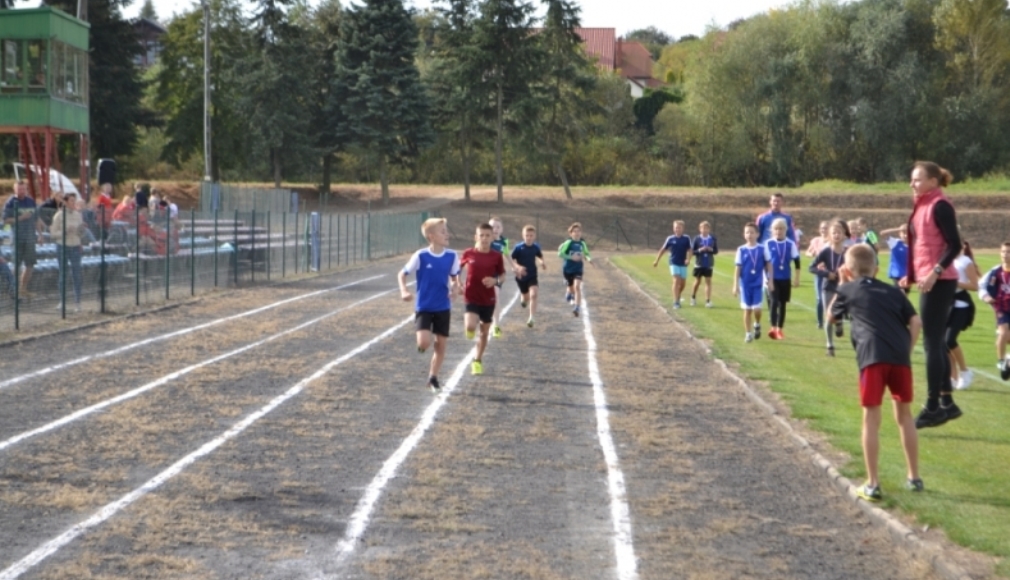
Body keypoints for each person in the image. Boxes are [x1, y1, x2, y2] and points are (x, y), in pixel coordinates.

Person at [830, 243, 923, 502]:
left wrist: (841, 283)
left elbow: (831, 318)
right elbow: (916, 321)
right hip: (899, 358)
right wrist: (907, 348)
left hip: (872, 357)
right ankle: (914, 478)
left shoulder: (847, 288)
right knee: (905, 417)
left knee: (871, 419)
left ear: (848, 270)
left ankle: (872, 484)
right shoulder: (894, 292)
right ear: (877, 268)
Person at [902, 161, 962, 429]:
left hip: (940, 281)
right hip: (929, 278)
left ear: (933, 182)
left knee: (932, 343)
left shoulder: (939, 205)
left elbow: (955, 245)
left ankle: (932, 406)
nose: (911, 184)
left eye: (916, 179)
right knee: (935, 342)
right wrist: (912, 275)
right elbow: (920, 245)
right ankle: (947, 403)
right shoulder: (923, 204)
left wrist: (935, 272)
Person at [399, 217, 461, 393]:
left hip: (443, 307)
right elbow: (402, 274)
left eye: (446, 231)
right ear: (431, 236)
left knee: (441, 345)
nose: (447, 234)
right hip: (424, 306)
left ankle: (433, 377)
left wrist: (455, 288)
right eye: (443, 232)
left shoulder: (451, 256)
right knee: (425, 343)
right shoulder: (421, 256)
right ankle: (422, 346)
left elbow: (455, 277)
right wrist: (404, 290)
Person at [460, 223, 506, 376]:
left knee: (484, 333)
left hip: (488, 299)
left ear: (493, 237)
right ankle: (470, 328)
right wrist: (457, 283)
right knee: (471, 327)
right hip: (471, 297)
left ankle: (477, 361)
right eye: (482, 235)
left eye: (488, 235)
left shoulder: (496, 256)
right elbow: (456, 270)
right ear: (476, 237)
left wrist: (495, 281)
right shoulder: (468, 253)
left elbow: (503, 275)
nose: (485, 239)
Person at [809, 220, 849, 356]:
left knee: (839, 313)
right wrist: (826, 274)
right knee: (829, 316)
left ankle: (839, 323)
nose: (837, 235)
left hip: (843, 288)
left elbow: (854, 269)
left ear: (844, 235)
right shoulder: (825, 251)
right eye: (834, 233)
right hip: (828, 287)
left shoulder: (848, 252)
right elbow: (811, 267)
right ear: (830, 236)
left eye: (839, 232)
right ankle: (830, 346)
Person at [2, 182, 44, 298]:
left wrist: (40, 235)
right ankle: (12, 289)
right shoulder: (10, 202)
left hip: (30, 237)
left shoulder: (30, 201)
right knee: (16, 264)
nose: (22, 191)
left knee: (30, 264)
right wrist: (21, 217)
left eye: (23, 189)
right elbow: (5, 220)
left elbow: (36, 219)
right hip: (17, 238)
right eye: (19, 189)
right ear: (15, 189)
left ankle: (23, 288)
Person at [733, 222, 773, 343]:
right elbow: (738, 268)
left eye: (752, 232)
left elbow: (769, 265)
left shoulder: (762, 248)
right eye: (747, 232)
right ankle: (748, 333)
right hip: (745, 284)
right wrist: (735, 285)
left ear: (757, 234)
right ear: (744, 235)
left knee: (757, 309)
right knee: (747, 310)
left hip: (758, 284)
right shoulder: (741, 250)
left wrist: (770, 280)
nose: (749, 235)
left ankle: (757, 323)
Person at [947, 241, 978, 390]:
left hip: (961, 304)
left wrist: (957, 283)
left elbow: (974, 285)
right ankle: (952, 376)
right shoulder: (946, 258)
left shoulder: (965, 261)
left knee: (950, 339)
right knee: (943, 343)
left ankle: (965, 372)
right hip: (946, 304)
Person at [978, 242, 1010, 381]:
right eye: (1003, 252)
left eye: (1008, 252)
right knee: (1003, 333)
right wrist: (986, 297)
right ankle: (1001, 361)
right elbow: (981, 286)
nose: (1005, 255)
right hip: (1002, 307)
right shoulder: (995, 271)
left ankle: (1008, 360)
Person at [765, 218, 801, 340]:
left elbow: (797, 262)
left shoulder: (790, 244)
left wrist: (796, 278)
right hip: (772, 278)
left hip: (785, 278)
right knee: (774, 302)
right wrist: (765, 278)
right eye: (776, 229)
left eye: (781, 228)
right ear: (772, 230)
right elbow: (764, 262)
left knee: (783, 304)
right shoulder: (768, 244)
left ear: (786, 230)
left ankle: (780, 329)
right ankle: (773, 328)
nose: (778, 231)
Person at [50, 192, 85, 312]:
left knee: (77, 275)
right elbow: (53, 234)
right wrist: (64, 232)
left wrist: (81, 230)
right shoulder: (58, 215)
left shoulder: (78, 215)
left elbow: (81, 233)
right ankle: (62, 301)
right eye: (71, 201)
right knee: (63, 274)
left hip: (75, 246)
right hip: (62, 247)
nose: (73, 203)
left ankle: (78, 303)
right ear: (65, 202)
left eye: (74, 201)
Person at [510, 224, 546, 328]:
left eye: (531, 235)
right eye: (527, 235)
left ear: (534, 236)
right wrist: (518, 267)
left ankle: (531, 318)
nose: (529, 237)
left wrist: (542, 262)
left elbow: (540, 255)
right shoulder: (518, 247)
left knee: (534, 294)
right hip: (521, 276)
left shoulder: (536, 247)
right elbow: (511, 259)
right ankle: (523, 298)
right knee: (525, 297)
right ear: (523, 235)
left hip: (532, 275)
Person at [652, 220, 692, 309]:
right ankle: (676, 302)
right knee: (676, 280)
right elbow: (663, 249)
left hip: (683, 263)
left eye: (679, 227)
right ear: (673, 229)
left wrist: (688, 259)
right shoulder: (670, 238)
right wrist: (656, 260)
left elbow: (690, 250)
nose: (677, 229)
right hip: (673, 262)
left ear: (683, 229)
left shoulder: (686, 238)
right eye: (676, 227)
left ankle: (678, 295)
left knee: (683, 283)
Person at [488, 217, 516, 339]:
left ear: (502, 229)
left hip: (497, 274)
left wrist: (514, 266)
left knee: (496, 296)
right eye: (492, 227)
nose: (495, 229)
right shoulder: (485, 240)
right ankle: (485, 320)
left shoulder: (504, 242)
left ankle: (496, 326)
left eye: (498, 227)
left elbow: (507, 254)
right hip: (483, 273)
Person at [558, 222, 592, 318]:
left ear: (581, 233)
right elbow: (560, 254)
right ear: (571, 233)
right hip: (567, 269)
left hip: (578, 269)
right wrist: (571, 257)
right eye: (574, 231)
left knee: (577, 286)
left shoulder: (582, 243)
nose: (577, 233)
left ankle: (577, 307)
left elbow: (587, 253)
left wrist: (589, 259)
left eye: (578, 231)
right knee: (571, 288)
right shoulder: (568, 243)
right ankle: (569, 292)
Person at [806, 221, 830, 328]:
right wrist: (812, 254)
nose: (823, 230)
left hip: (830, 272)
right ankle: (820, 321)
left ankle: (830, 319)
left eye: (826, 228)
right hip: (819, 272)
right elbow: (807, 252)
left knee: (831, 298)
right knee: (820, 298)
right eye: (822, 228)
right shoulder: (816, 241)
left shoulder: (832, 240)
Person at [690, 221, 718, 308]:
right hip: (699, 263)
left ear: (709, 229)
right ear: (699, 229)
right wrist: (700, 250)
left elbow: (716, 251)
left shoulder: (713, 238)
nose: (704, 230)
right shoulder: (697, 239)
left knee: (708, 281)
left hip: (709, 263)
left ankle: (708, 301)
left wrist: (711, 250)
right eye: (702, 228)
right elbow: (692, 252)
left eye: (706, 228)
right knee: (697, 281)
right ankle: (693, 297)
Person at [879, 224, 909, 293]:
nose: (905, 235)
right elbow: (882, 233)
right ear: (899, 234)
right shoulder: (895, 242)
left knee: (904, 295)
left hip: (907, 275)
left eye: (907, 233)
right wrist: (899, 229)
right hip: (896, 273)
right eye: (903, 233)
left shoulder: (914, 244)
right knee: (901, 293)